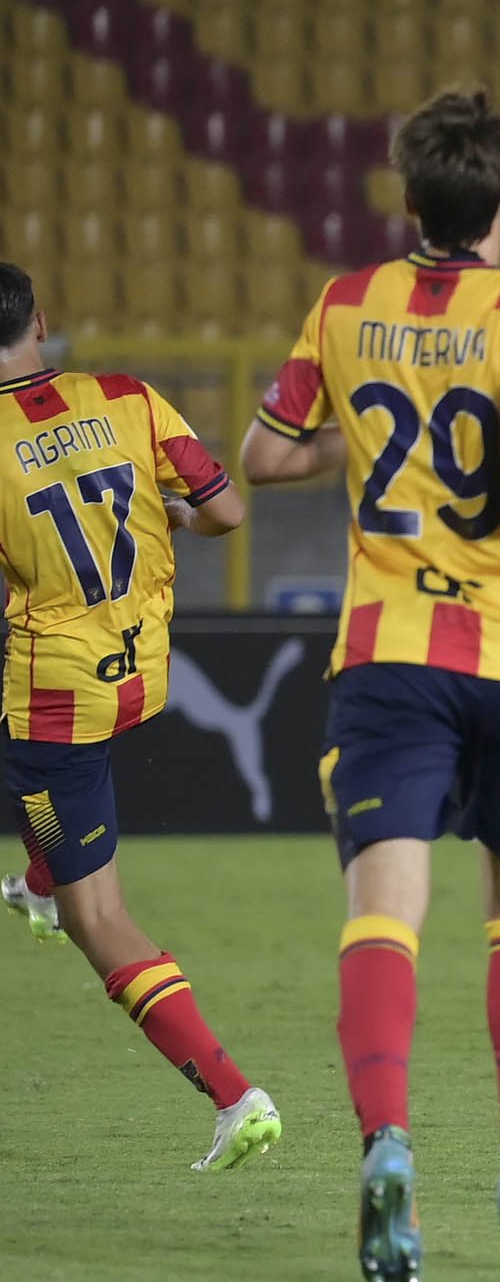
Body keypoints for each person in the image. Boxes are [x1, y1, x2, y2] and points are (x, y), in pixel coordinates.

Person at [239, 88, 500, 1279]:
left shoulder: (344, 302)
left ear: (407, 200)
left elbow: (261, 455)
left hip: (391, 652)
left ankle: (386, 1145)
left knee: (383, 907)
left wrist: (358, 441)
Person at [0, 261, 281, 1170]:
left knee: (100, 917)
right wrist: (168, 516)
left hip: (55, 697)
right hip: (139, 669)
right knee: (41, 794)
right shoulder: (127, 395)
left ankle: (236, 1095)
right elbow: (227, 511)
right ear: (41, 319)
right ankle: (38, 880)